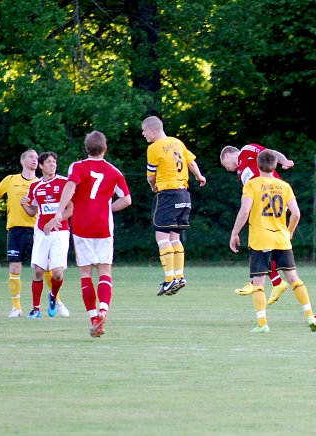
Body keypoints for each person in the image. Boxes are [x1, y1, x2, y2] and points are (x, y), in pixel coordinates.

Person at [45, 131, 131, 338]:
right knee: (105, 272)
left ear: (86, 148)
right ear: (105, 148)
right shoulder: (114, 171)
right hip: (103, 227)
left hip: (82, 226)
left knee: (85, 274)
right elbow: (127, 200)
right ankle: (103, 311)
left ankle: (93, 318)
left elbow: (70, 186)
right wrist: (106, 208)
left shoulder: (77, 167)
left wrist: (59, 212)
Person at [228, 150, 316, 332]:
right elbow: (296, 213)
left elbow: (245, 211)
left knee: (259, 282)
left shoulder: (252, 184)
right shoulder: (284, 186)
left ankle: (262, 324)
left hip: (261, 239)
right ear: (275, 165)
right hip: (281, 238)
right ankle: (310, 315)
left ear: (258, 164)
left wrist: (235, 233)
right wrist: (290, 231)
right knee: (293, 278)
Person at [220, 143, 294, 304]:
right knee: (261, 243)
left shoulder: (246, 150)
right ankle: (275, 281)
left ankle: (264, 282)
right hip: (264, 206)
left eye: (224, 165)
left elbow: (270, 152)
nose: (226, 169)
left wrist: (284, 161)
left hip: (274, 200)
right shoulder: (242, 171)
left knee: (261, 243)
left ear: (226, 155)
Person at [142, 116, 206, 297]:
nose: (143, 134)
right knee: (174, 237)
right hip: (184, 194)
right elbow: (191, 162)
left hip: (168, 194)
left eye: (144, 131)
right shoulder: (177, 143)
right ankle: (179, 275)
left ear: (153, 131)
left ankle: (170, 279)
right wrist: (199, 177)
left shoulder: (153, 148)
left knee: (161, 236)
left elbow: (151, 177)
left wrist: (153, 186)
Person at [0, 150, 42, 318]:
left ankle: (55, 301)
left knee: (42, 267)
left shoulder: (40, 183)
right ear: (22, 161)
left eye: (37, 158)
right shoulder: (11, 179)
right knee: (15, 267)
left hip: (36, 230)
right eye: (31, 157)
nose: (35, 160)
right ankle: (16, 307)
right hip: (15, 230)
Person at [21, 152, 73, 318]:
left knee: (57, 273)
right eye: (48, 162)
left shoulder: (65, 183)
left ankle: (52, 296)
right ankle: (36, 309)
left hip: (61, 232)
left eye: (54, 162)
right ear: (41, 166)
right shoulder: (35, 187)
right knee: (38, 271)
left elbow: (71, 209)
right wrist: (24, 205)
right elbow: (32, 211)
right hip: (42, 232)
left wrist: (55, 221)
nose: (52, 165)